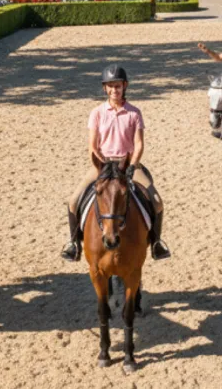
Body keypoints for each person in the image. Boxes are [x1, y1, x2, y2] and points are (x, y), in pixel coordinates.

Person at [60, 65, 171, 262]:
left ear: (125, 86)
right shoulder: (97, 113)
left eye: (117, 86)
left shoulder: (134, 113)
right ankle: (73, 243)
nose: (114, 90)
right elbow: (92, 146)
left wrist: (131, 166)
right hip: (103, 166)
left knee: (157, 201)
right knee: (73, 200)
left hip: (127, 165)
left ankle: (156, 243)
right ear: (105, 88)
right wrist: (100, 165)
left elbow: (139, 145)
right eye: (110, 86)